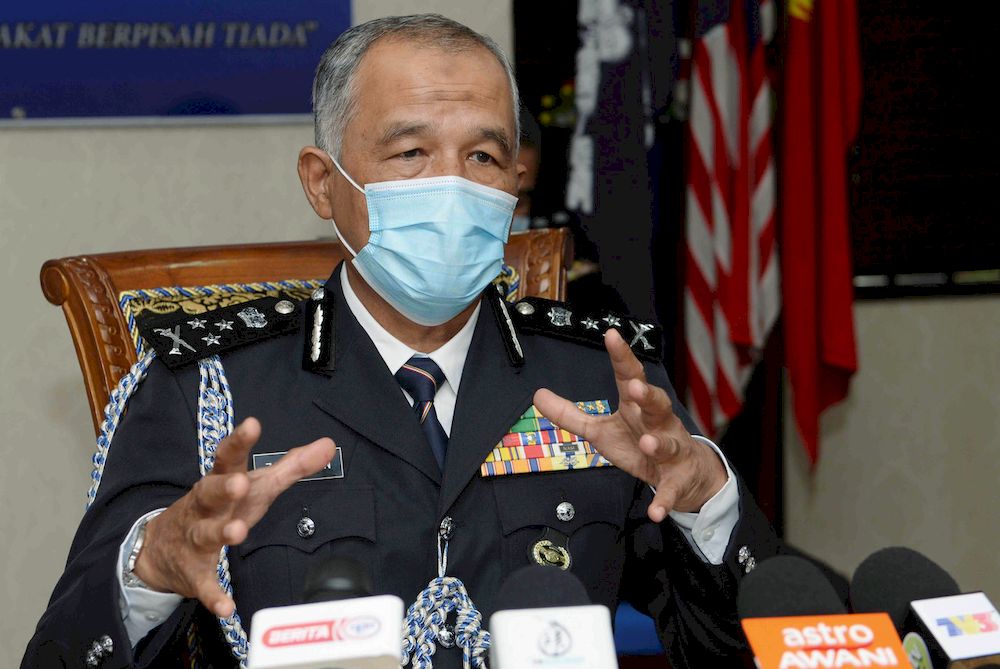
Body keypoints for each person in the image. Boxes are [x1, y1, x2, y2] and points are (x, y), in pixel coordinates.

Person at [22, 14, 779, 669]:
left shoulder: (602, 379)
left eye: (483, 157)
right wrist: (148, 573)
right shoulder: (206, 389)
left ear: (516, 181)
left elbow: (748, 646)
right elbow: (61, 651)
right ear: (324, 183)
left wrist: (706, 501)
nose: (452, 184)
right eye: (411, 153)